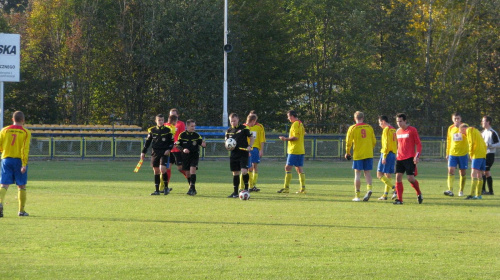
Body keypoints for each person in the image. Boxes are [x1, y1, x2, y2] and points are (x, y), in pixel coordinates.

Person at [0, 111, 32, 217]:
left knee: (4, 184)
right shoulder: (26, 132)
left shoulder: (4, 130)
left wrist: (5, 151)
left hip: (6, 159)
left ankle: (0, 203)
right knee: (21, 185)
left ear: (12, 119)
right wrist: (24, 164)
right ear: (23, 120)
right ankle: (21, 211)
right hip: (19, 160)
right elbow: (25, 149)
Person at [345, 111, 376, 201]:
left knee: (357, 173)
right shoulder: (369, 127)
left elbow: (348, 141)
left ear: (355, 118)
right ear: (363, 118)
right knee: (367, 173)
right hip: (368, 153)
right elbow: (374, 141)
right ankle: (369, 189)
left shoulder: (353, 128)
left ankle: (357, 195)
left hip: (358, 154)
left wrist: (347, 152)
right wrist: (370, 148)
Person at [141, 114, 174, 195]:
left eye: (162, 120)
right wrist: (143, 152)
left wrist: (168, 149)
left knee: (163, 169)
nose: (161, 121)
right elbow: (147, 143)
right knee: (156, 171)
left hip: (164, 153)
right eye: (159, 120)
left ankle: (166, 188)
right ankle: (157, 190)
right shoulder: (152, 130)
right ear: (156, 121)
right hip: (155, 153)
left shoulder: (168, 130)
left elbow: (172, 142)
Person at [394, 113, 423, 205]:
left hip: (409, 158)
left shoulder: (412, 130)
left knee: (410, 178)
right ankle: (400, 199)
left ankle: (419, 193)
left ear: (405, 121)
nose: (399, 123)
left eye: (400, 121)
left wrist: (417, 156)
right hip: (399, 158)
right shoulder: (397, 131)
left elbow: (418, 144)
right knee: (398, 177)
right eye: (397, 121)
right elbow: (398, 144)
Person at [225, 113, 254, 198]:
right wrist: (228, 146)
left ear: (238, 119)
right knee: (235, 173)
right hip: (234, 154)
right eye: (231, 121)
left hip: (243, 153)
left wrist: (250, 146)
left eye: (234, 121)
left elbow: (251, 137)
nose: (233, 122)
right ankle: (235, 192)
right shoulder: (228, 131)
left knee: (244, 171)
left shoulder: (244, 128)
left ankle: (246, 189)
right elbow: (226, 143)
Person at [277, 110, 306, 194]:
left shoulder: (295, 124)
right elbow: (303, 134)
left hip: (294, 150)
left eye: (289, 116)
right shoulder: (300, 123)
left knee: (288, 167)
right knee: (299, 168)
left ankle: (286, 188)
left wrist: (285, 139)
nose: (288, 118)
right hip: (300, 149)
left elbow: (296, 137)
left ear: (292, 116)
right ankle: (303, 188)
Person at [176, 119, 206, 196]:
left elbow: (202, 143)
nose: (193, 127)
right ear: (187, 126)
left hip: (194, 155)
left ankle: (191, 188)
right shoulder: (182, 135)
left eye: (194, 126)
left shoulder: (197, 135)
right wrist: (183, 149)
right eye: (192, 126)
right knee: (187, 173)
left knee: (192, 170)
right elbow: (178, 145)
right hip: (185, 156)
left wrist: (203, 144)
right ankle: (192, 188)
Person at [239, 111, 266, 192]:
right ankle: (242, 187)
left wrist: (261, 149)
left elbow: (262, 139)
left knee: (253, 167)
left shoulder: (259, 126)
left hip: (254, 149)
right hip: (246, 149)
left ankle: (252, 185)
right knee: (246, 168)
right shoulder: (243, 127)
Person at [459, 123, 487, 200]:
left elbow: (471, 142)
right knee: (479, 174)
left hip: (476, 154)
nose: (463, 134)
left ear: (463, 128)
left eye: (462, 132)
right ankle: (479, 195)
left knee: (473, 173)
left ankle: (471, 194)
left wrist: (471, 153)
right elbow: (484, 143)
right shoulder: (476, 130)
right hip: (483, 154)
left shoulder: (469, 130)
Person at [445, 113, 468, 197]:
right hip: (452, 153)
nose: (457, 120)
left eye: (458, 118)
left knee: (462, 172)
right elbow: (449, 140)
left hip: (463, 153)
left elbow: (469, 138)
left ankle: (461, 190)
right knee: (450, 170)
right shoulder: (450, 128)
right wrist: (447, 152)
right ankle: (450, 190)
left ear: (460, 118)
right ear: (452, 119)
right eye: (455, 119)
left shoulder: (465, 126)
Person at [376, 115, 397, 201]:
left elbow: (386, 144)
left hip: (386, 153)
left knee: (379, 174)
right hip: (393, 154)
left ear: (383, 122)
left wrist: (384, 156)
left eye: (380, 123)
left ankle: (395, 189)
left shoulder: (386, 129)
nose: (380, 125)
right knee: (388, 175)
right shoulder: (394, 129)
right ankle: (385, 195)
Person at [168, 108, 189, 187]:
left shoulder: (180, 124)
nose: (172, 116)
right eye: (171, 114)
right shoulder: (167, 125)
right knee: (167, 168)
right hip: (169, 150)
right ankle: (165, 186)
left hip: (177, 150)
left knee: (180, 168)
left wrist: (177, 143)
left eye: (174, 114)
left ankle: (190, 179)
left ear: (177, 115)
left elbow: (182, 136)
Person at [481, 116, 500, 195]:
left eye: (483, 121)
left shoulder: (492, 132)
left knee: (485, 170)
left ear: (488, 122)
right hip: (482, 154)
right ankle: (486, 190)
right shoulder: (482, 132)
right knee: (484, 171)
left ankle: (487, 191)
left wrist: (490, 145)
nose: (482, 122)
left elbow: (499, 144)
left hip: (489, 154)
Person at [160, 114, 178, 194]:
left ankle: (164, 186)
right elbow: (172, 139)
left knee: (163, 169)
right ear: (174, 121)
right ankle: (162, 187)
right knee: (164, 169)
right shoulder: (172, 128)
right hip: (167, 151)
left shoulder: (164, 125)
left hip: (160, 150)